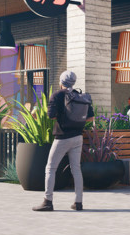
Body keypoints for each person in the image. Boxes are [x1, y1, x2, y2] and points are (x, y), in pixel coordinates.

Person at [35, 71, 92, 211]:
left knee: (50, 168)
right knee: (76, 169)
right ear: (73, 82)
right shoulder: (81, 96)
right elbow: (90, 118)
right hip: (78, 137)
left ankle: (48, 201)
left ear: (61, 82)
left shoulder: (57, 95)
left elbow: (51, 116)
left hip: (62, 137)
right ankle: (78, 202)